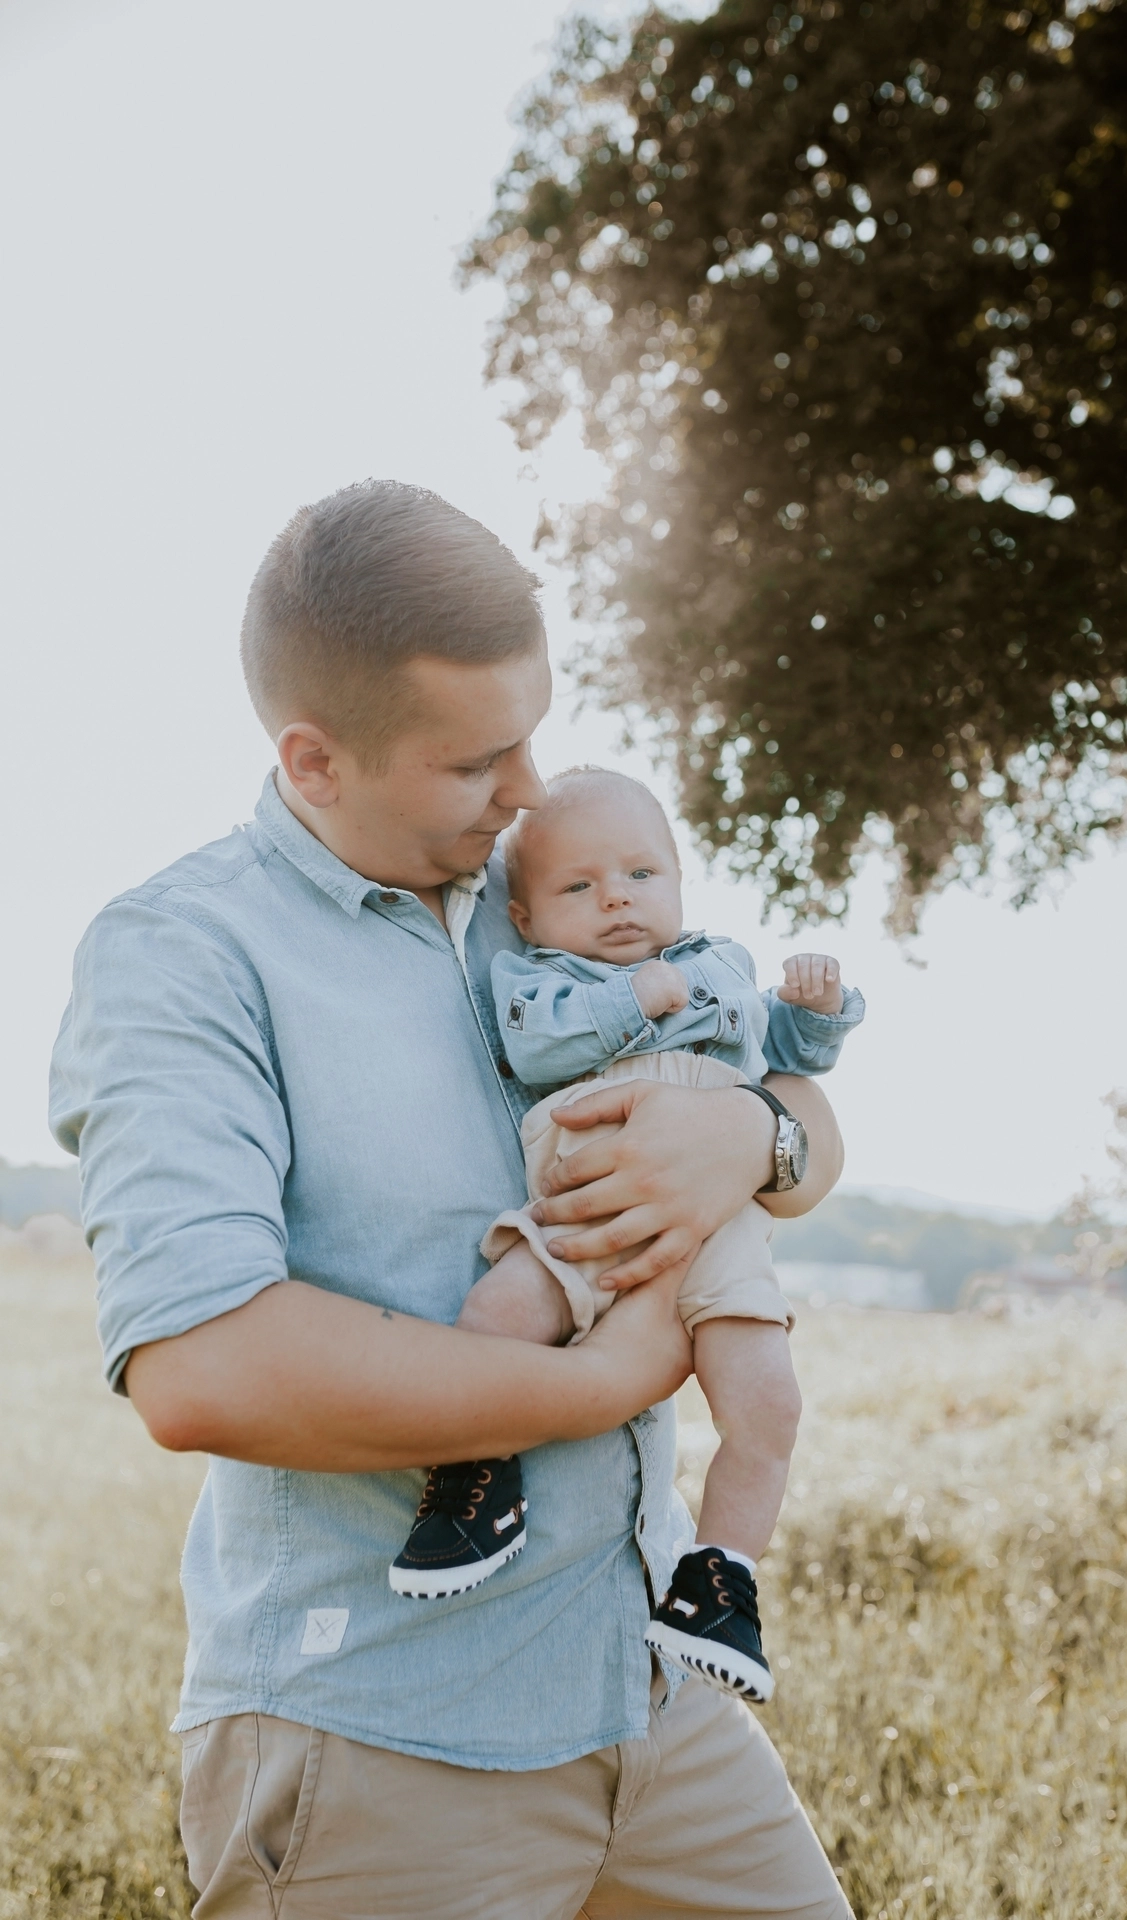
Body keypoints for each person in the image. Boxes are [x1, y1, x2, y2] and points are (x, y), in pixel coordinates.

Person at [49, 479, 854, 1919]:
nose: (530, 788)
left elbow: (801, 1129)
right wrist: (601, 1382)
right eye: (479, 760)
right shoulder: (182, 955)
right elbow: (201, 1367)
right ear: (314, 760)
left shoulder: (550, 891)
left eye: (533, 735)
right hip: (382, 1747)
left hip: (655, 1700)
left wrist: (751, 1135)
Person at [391, 765, 864, 1709]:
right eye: (579, 886)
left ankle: (719, 1580)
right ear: (524, 916)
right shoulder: (536, 979)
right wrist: (635, 998)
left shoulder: (719, 963)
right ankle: (477, 1482)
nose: (616, 898)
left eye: (642, 875)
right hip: (583, 1212)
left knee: (768, 1401)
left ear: (680, 882)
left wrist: (817, 1014)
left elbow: (784, 1061)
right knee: (495, 1316)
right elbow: (536, 1047)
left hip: (721, 1226)